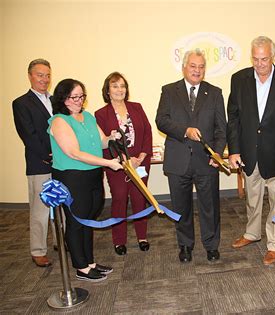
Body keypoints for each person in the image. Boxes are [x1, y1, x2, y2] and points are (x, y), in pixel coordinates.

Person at [227, 36, 275, 265]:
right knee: (253, 199)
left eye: (264, 58)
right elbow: (234, 118)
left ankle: (274, 245)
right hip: (249, 153)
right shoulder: (239, 79)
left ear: (273, 56)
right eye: (256, 58)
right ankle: (252, 233)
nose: (260, 63)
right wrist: (234, 150)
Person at [156, 49, 226, 263]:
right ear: (184, 67)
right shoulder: (169, 91)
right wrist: (185, 130)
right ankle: (185, 246)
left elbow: (221, 129)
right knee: (181, 207)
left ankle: (211, 245)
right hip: (178, 161)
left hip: (206, 161)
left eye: (201, 67)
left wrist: (217, 154)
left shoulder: (214, 93)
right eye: (193, 66)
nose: (197, 70)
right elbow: (161, 121)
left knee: (210, 207)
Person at [49, 78, 122, 282]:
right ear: (63, 98)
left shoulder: (87, 117)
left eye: (82, 96)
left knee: (89, 218)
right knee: (76, 221)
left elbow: (101, 141)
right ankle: (81, 267)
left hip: (92, 174)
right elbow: (74, 153)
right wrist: (108, 163)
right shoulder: (59, 121)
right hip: (72, 177)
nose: (79, 101)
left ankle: (90, 262)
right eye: (74, 97)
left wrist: (112, 137)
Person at [95, 72, 152, 256]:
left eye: (122, 86)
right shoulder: (101, 114)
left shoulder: (136, 107)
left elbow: (147, 132)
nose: (120, 90)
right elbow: (103, 143)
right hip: (117, 165)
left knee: (140, 199)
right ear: (108, 90)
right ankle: (119, 240)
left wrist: (141, 157)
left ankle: (142, 237)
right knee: (119, 199)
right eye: (115, 86)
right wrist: (124, 161)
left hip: (140, 162)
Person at [12, 58, 57, 267]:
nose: (44, 79)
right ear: (30, 76)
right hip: (40, 162)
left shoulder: (56, 100)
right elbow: (28, 135)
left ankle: (61, 241)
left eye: (47, 75)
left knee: (61, 204)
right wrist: (48, 153)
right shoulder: (21, 103)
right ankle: (38, 250)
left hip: (61, 161)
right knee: (40, 208)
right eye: (40, 75)